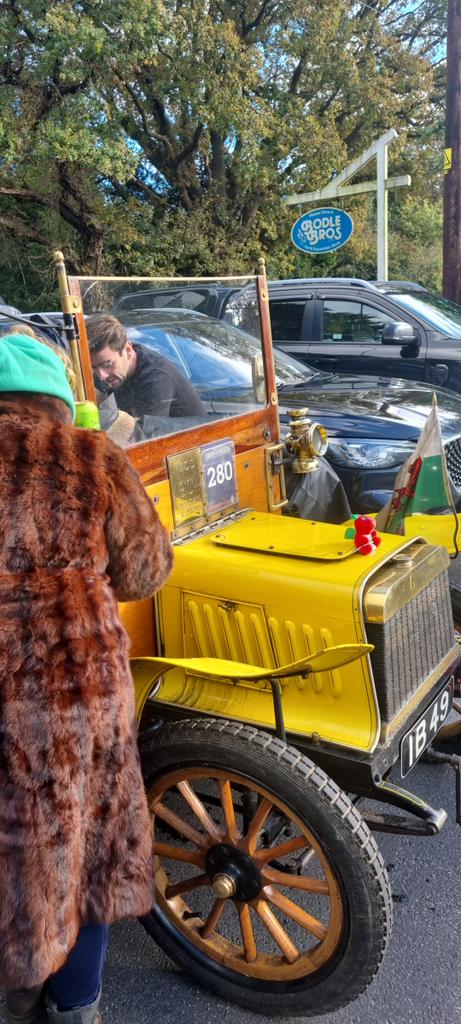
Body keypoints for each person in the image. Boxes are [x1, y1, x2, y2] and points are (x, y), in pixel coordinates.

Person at [0, 333, 174, 1024]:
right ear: (55, 397)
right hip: (85, 691)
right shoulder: (92, 456)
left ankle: (18, 994)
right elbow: (145, 571)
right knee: (91, 848)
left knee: (16, 852)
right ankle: (76, 1005)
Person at [86, 315, 204, 421]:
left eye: (107, 365)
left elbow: (146, 437)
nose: (102, 376)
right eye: (94, 367)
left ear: (127, 350)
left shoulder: (156, 379)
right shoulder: (112, 373)